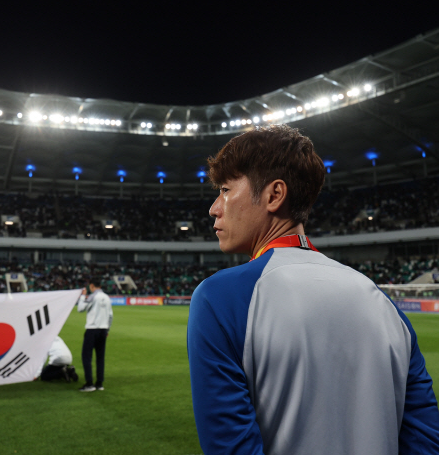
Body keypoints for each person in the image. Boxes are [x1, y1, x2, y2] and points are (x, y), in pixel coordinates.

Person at [187, 124, 439, 454]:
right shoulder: (385, 305)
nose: (214, 208)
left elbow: (231, 448)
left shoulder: (219, 299)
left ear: (274, 195)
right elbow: (425, 443)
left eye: (224, 190)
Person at [77, 277, 113, 392]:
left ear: (91, 286)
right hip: (103, 330)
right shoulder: (107, 297)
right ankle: (99, 383)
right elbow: (110, 316)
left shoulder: (93, 296)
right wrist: (107, 330)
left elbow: (80, 309)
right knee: (100, 357)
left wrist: (83, 296)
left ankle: (89, 384)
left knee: (86, 356)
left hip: (92, 329)